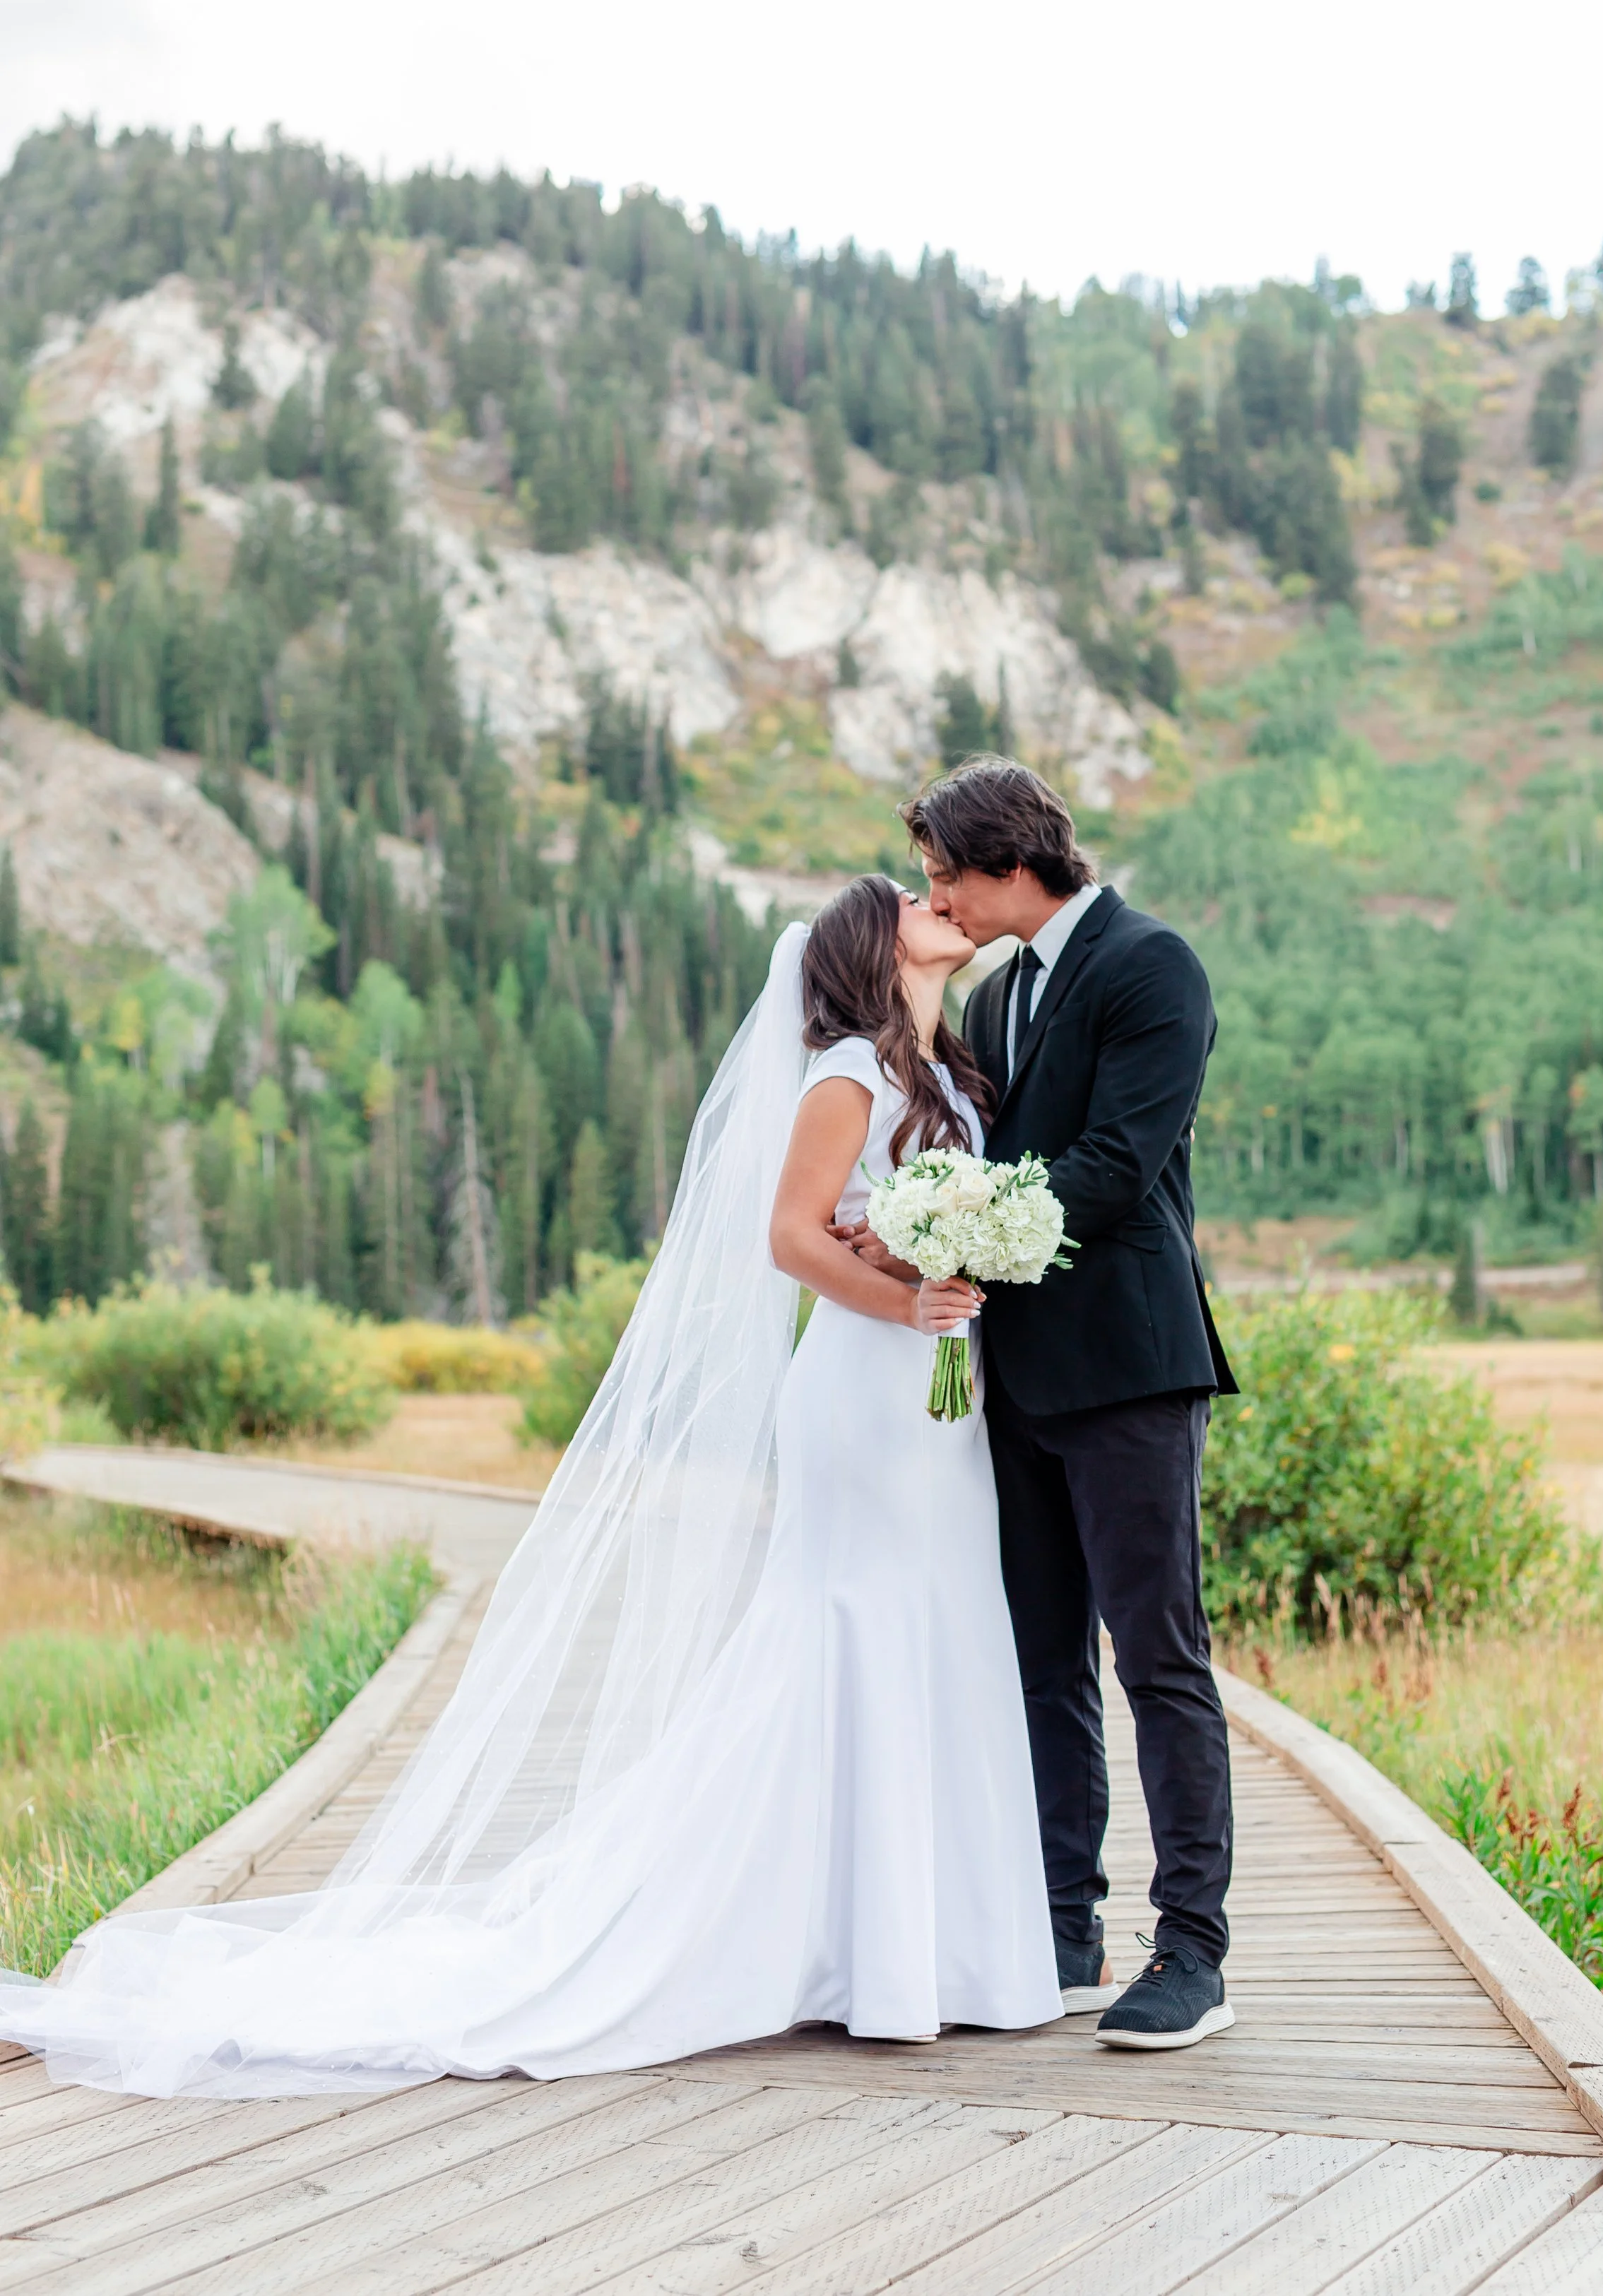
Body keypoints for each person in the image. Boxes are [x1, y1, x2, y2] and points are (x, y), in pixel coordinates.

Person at [0, 880, 1060, 2095]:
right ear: (877, 948)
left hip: (942, 1398)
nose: (942, 905)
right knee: (852, 1627)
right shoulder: (847, 1075)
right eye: (914, 901)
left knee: (943, 1627)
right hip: (864, 1397)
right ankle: (841, 1953)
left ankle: (939, 1952)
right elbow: (790, 1235)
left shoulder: (958, 1079)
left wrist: (941, 1257)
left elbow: (907, 1223)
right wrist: (901, 1291)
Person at [894, 757, 1238, 2052]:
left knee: (1159, 1659)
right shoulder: (1004, 992)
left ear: (1011, 863)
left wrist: (960, 1234)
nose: (940, 896)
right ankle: (1061, 1928)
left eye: (947, 875)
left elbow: (1110, 1168)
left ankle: (1193, 1952)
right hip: (1019, 1378)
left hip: (1133, 1371)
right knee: (1043, 1663)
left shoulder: (1155, 968)